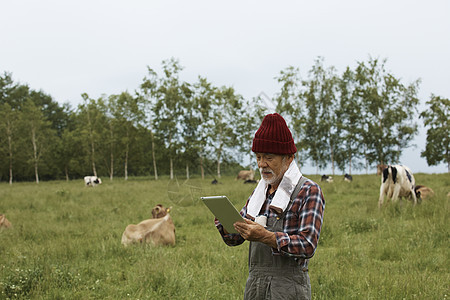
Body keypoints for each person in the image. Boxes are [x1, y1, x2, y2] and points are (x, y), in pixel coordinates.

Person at [215, 113, 325, 300]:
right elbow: (234, 239)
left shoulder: (308, 191)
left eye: (269, 157)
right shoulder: (259, 193)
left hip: (289, 289)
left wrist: (267, 237)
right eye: (258, 157)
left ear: (289, 158)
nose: (261, 164)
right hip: (255, 287)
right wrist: (227, 223)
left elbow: (307, 245)